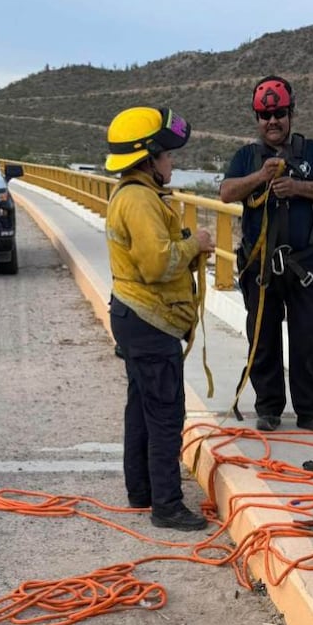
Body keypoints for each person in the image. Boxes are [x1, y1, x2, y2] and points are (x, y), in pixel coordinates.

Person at [103, 106, 215, 531]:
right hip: (150, 322)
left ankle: (142, 491)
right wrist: (194, 244)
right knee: (166, 415)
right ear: (148, 158)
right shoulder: (140, 200)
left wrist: (183, 244)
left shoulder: (132, 196)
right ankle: (166, 505)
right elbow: (156, 265)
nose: (172, 162)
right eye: (167, 155)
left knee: (142, 410)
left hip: (136, 317)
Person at [220, 75, 313, 433]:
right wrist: (260, 176)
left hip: (304, 265)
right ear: (257, 118)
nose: (272, 121)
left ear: (291, 113)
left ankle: (310, 411)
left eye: (279, 113)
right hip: (260, 268)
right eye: (264, 115)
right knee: (263, 339)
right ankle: (268, 409)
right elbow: (226, 193)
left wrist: (297, 187)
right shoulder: (246, 157)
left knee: (308, 339)